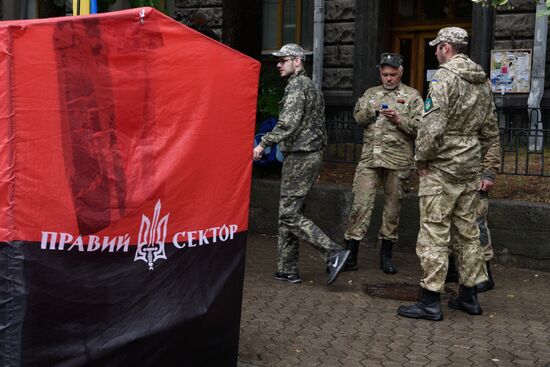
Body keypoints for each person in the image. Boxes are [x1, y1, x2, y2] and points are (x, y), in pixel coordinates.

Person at [397, 27, 500, 321]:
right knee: (468, 233)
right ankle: (469, 297)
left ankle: (430, 300)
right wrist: (484, 167)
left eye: (437, 47)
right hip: (469, 166)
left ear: (445, 47)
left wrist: (421, 160)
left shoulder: (443, 77)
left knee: (434, 232)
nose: (435, 52)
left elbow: (432, 126)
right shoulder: (482, 81)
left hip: (441, 168)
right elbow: (490, 131)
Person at [252, 43, 350, 285]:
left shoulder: (298, 87)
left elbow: (288, 123)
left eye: (283, 60)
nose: (278, 64)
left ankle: (334, 252)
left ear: (297, 61)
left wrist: (262, 144)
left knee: (288, 214)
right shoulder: (307, 86)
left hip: (301, 157)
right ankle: (287, 269)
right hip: (304, 155)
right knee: (290, 212)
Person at [342, 53, 423, 274]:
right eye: (385, 74)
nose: (388, 79)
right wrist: (371, 109)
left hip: (398, 162)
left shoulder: (412, 96)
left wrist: (399, 119)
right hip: (370, 160)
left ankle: (386, 256)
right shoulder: (370, 94)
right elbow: (358, 118)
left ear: (401, 73)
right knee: (360, 204)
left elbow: (421, 129)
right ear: (380, 73)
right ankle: (351, 255)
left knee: (392, 210)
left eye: (393, 75)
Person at [447, 140, 500, 292]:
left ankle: (486, 275)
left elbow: (492, 141)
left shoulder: (482, 115)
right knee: (448, 223)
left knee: (477, 225)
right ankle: (450, 270)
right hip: (451, 176)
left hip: (475, 178)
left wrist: (489, 174)